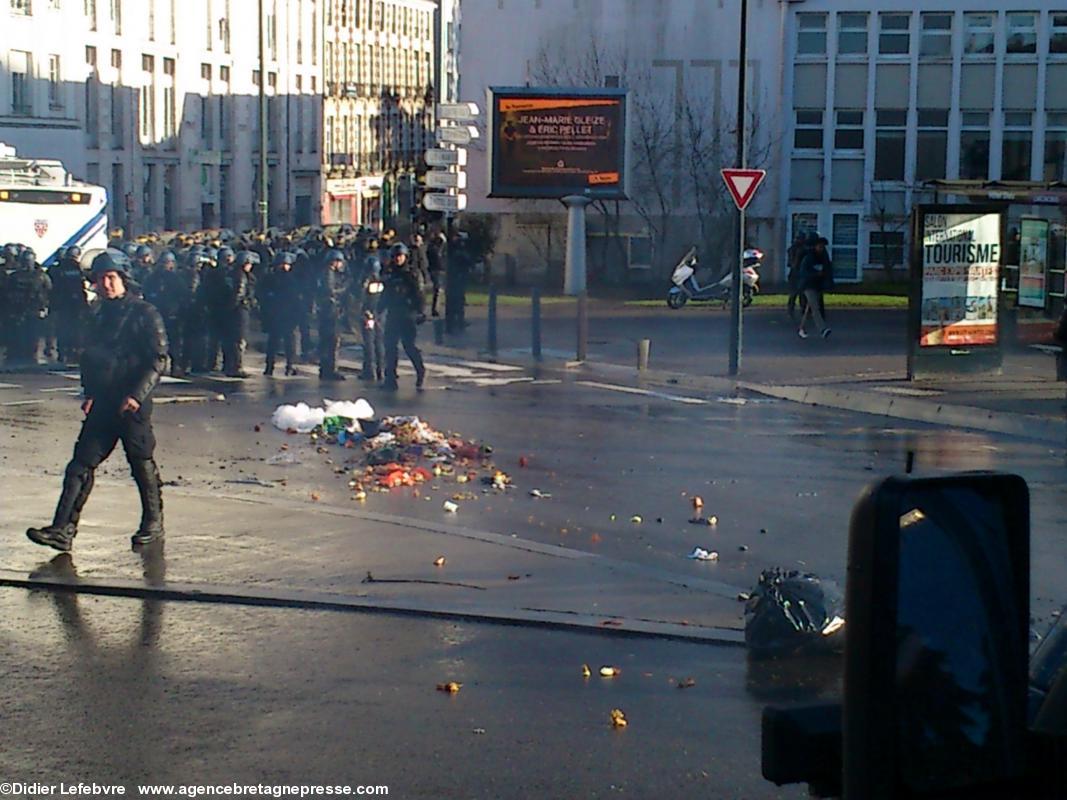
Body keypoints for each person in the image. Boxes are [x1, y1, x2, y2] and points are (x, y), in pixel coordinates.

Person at [26, 251, 169, 553]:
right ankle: (63, 529)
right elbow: (90, 357)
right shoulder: (98, 314)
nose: (105, 284)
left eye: (111, 278)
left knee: (141, 464)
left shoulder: (145, 313)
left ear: (123, 280)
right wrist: (89, 392)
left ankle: (153, 523)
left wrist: (136, 396)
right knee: (80, 465)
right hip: (103, 402)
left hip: (131, 405)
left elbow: (158, 359)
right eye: (100, 278)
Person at [381, 242, 426, 391]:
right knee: (389, 346)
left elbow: (419, 294)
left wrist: (420, 311)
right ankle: (390, 379)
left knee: (408, 346)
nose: (397, 259)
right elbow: (385, 294)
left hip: (407, 314)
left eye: (400, 256)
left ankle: (420, 370)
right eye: (395, 256)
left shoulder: (411, 273)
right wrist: (378, 309)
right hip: (393, 313)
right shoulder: (390, 274)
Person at [5, 248, 51, 364]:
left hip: (32, 309)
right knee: (21, 334)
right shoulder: (16, 276)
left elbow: (48, 291)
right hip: (19, 310)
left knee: (31, 334)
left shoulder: (40, 276)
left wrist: (44, 306)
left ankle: (29, 356)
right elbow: (7, 293)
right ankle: (21, 355)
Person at [259, 251, 301, 376]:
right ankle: (288, 366)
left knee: (274, 342)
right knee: (288, 342)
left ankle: (270, 366)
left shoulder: (269, 278)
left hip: (276, 315)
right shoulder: (291, 279)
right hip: (285, 315)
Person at [49, 245, 90, 365]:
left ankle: (62, 353)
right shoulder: (78, 268)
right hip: (76, 304)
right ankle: (74, 353)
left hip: (62, 303)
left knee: (62, 328)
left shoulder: (58, 268)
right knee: (76, 329)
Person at [221, 250, 258, 378]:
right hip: (240, 310)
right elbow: (239, 293)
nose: (251, 266)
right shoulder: (241, 276)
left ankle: (229, 365)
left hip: (231, 311)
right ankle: (237, 367)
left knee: (231, 339)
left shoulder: (231, 273)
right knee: (239, 339)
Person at [317, 249, 349, 381]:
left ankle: (325, 368)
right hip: (331, 310)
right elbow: (331, 290)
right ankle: (331, 369)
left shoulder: (326, 272)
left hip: (326, 310)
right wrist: (345, 288)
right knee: (333, 340)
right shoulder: (329, 274)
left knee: (326, 341)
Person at [796, 234, 832, 340]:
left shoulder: (824, 257)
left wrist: (826, 281)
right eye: (819, 246)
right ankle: (823, 329)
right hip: (807, 285)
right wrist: (816, 274)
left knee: (810, 307)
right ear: (815, 246)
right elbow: (803, 273)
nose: (821, 248)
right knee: (815, 307)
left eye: (823, 247)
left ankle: (801, 328)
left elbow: (827, 271)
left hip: (817, 286)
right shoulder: (808, 258)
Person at [358, 260, 385, 382]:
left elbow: (362, 299)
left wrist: (366, 313)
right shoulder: (382, 281)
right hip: (380, 314)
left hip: (369, 314)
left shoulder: (366, 282)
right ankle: (381, 370)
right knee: (379, 342)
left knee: (368, 343)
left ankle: (370, 370)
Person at [445, 230, 471, 334]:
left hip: (457, 279)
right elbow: (466, 261)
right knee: (457, 302)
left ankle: (457, 322)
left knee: (458, 301)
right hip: (456, 279)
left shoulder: (454, 249)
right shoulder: (458, 251)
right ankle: (457, 322)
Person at [786, 232, 808, 321]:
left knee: (801, 294)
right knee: (795, 294)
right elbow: (792, 263)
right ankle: (791, 310)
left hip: (799, 273)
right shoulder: (794, 249)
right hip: (796, 273)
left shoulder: (802, 249)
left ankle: (801, 310)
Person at [427, 230, 446, 317]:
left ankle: (436, 308)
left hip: (439, 269)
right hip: (436, 269)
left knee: (439, 289)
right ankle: (435, 309)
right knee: (438, 289)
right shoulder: (433, 248)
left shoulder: (435, 248)